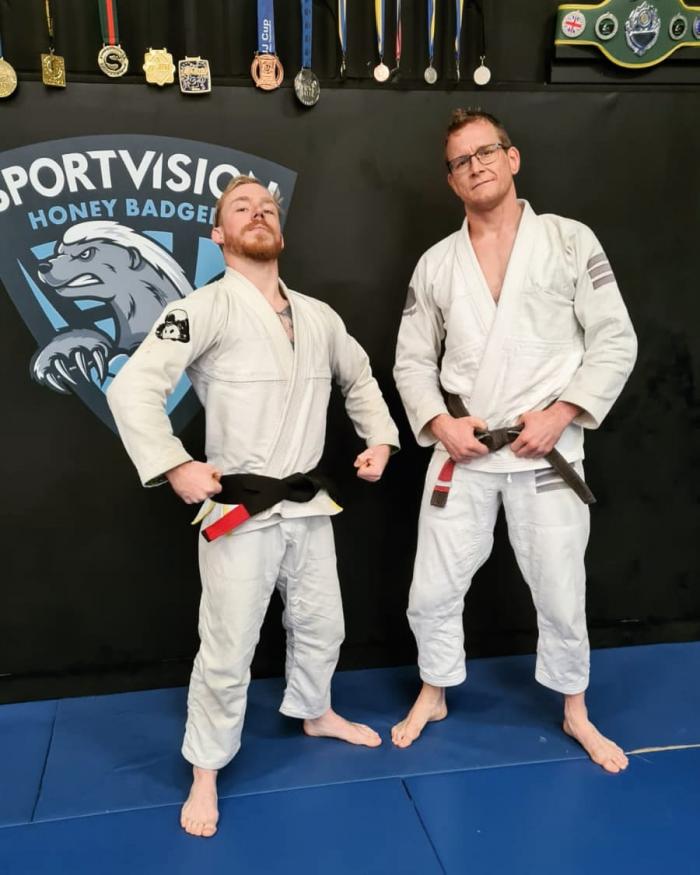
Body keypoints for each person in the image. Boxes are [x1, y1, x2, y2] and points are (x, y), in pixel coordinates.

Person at [107, 176, 399, 837]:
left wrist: (379, 437)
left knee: (323, 625)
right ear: (219, 234)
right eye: (242, 207)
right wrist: (174, 463)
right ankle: (206, 768)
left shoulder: (319, 316)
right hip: (238, 508)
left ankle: (315, 710)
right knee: (228, 645)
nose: (259, 213)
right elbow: (132, 389)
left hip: (309, 503)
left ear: (281, 232)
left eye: (267, 207)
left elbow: (359, 378)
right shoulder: (202, 308)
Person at [392, 109, 637, 773]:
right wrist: (439, 424)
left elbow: (615, 339)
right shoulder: (436, 264)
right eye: (461, 161)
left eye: (485, 152)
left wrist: (564, 412)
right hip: (463, 451)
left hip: (546, 450)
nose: (476, 166)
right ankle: (434, 689)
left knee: (560, 591)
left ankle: (575, 708)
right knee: (431, 589)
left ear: (512, 157)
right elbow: (412, 360)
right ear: (451, 180)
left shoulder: (568, 241)